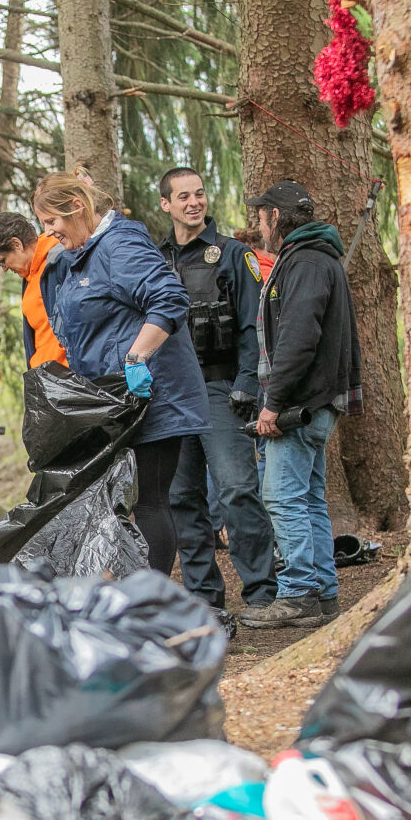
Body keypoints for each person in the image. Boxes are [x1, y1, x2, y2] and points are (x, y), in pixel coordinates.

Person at [31, 172, 209, 580]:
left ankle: (149, 604)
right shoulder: (81, 256)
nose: (48, 232)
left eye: (51, 221)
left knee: (149, 501)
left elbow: (168, 299)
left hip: (151, 396)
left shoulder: (120, 243)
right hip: (113, 406)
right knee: (117, 504)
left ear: (76, 207)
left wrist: (136, 358)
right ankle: (125, 598)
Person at [155, 166, 279, 625]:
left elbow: (253, 327)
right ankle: (205, 597)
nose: (194, 203)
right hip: (170, 395)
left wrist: (248, 384)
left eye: (200, 194)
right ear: (165, 204)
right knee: (182, 497)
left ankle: (263, 594)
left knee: (237, 490)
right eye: (183, 196)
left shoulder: (233, 255)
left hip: (220, 386)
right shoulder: (154, 256)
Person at [244, 180, 362, 631]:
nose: (258, 225)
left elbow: (298, 337)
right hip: (315, 400)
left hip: (301, 401)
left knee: (283, 497)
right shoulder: (314, 257)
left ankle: (297, 594)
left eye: (261, 216)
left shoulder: (307, 261)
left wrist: (273, 403)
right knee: (309, 497)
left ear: (276, 217)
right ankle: (324, 592)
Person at [0, 213, 66, 368]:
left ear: (16, 244)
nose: (4, 269)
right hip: (46, 380)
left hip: (70, 380)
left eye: (2, 261)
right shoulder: (30, 273)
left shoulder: (62, 261)